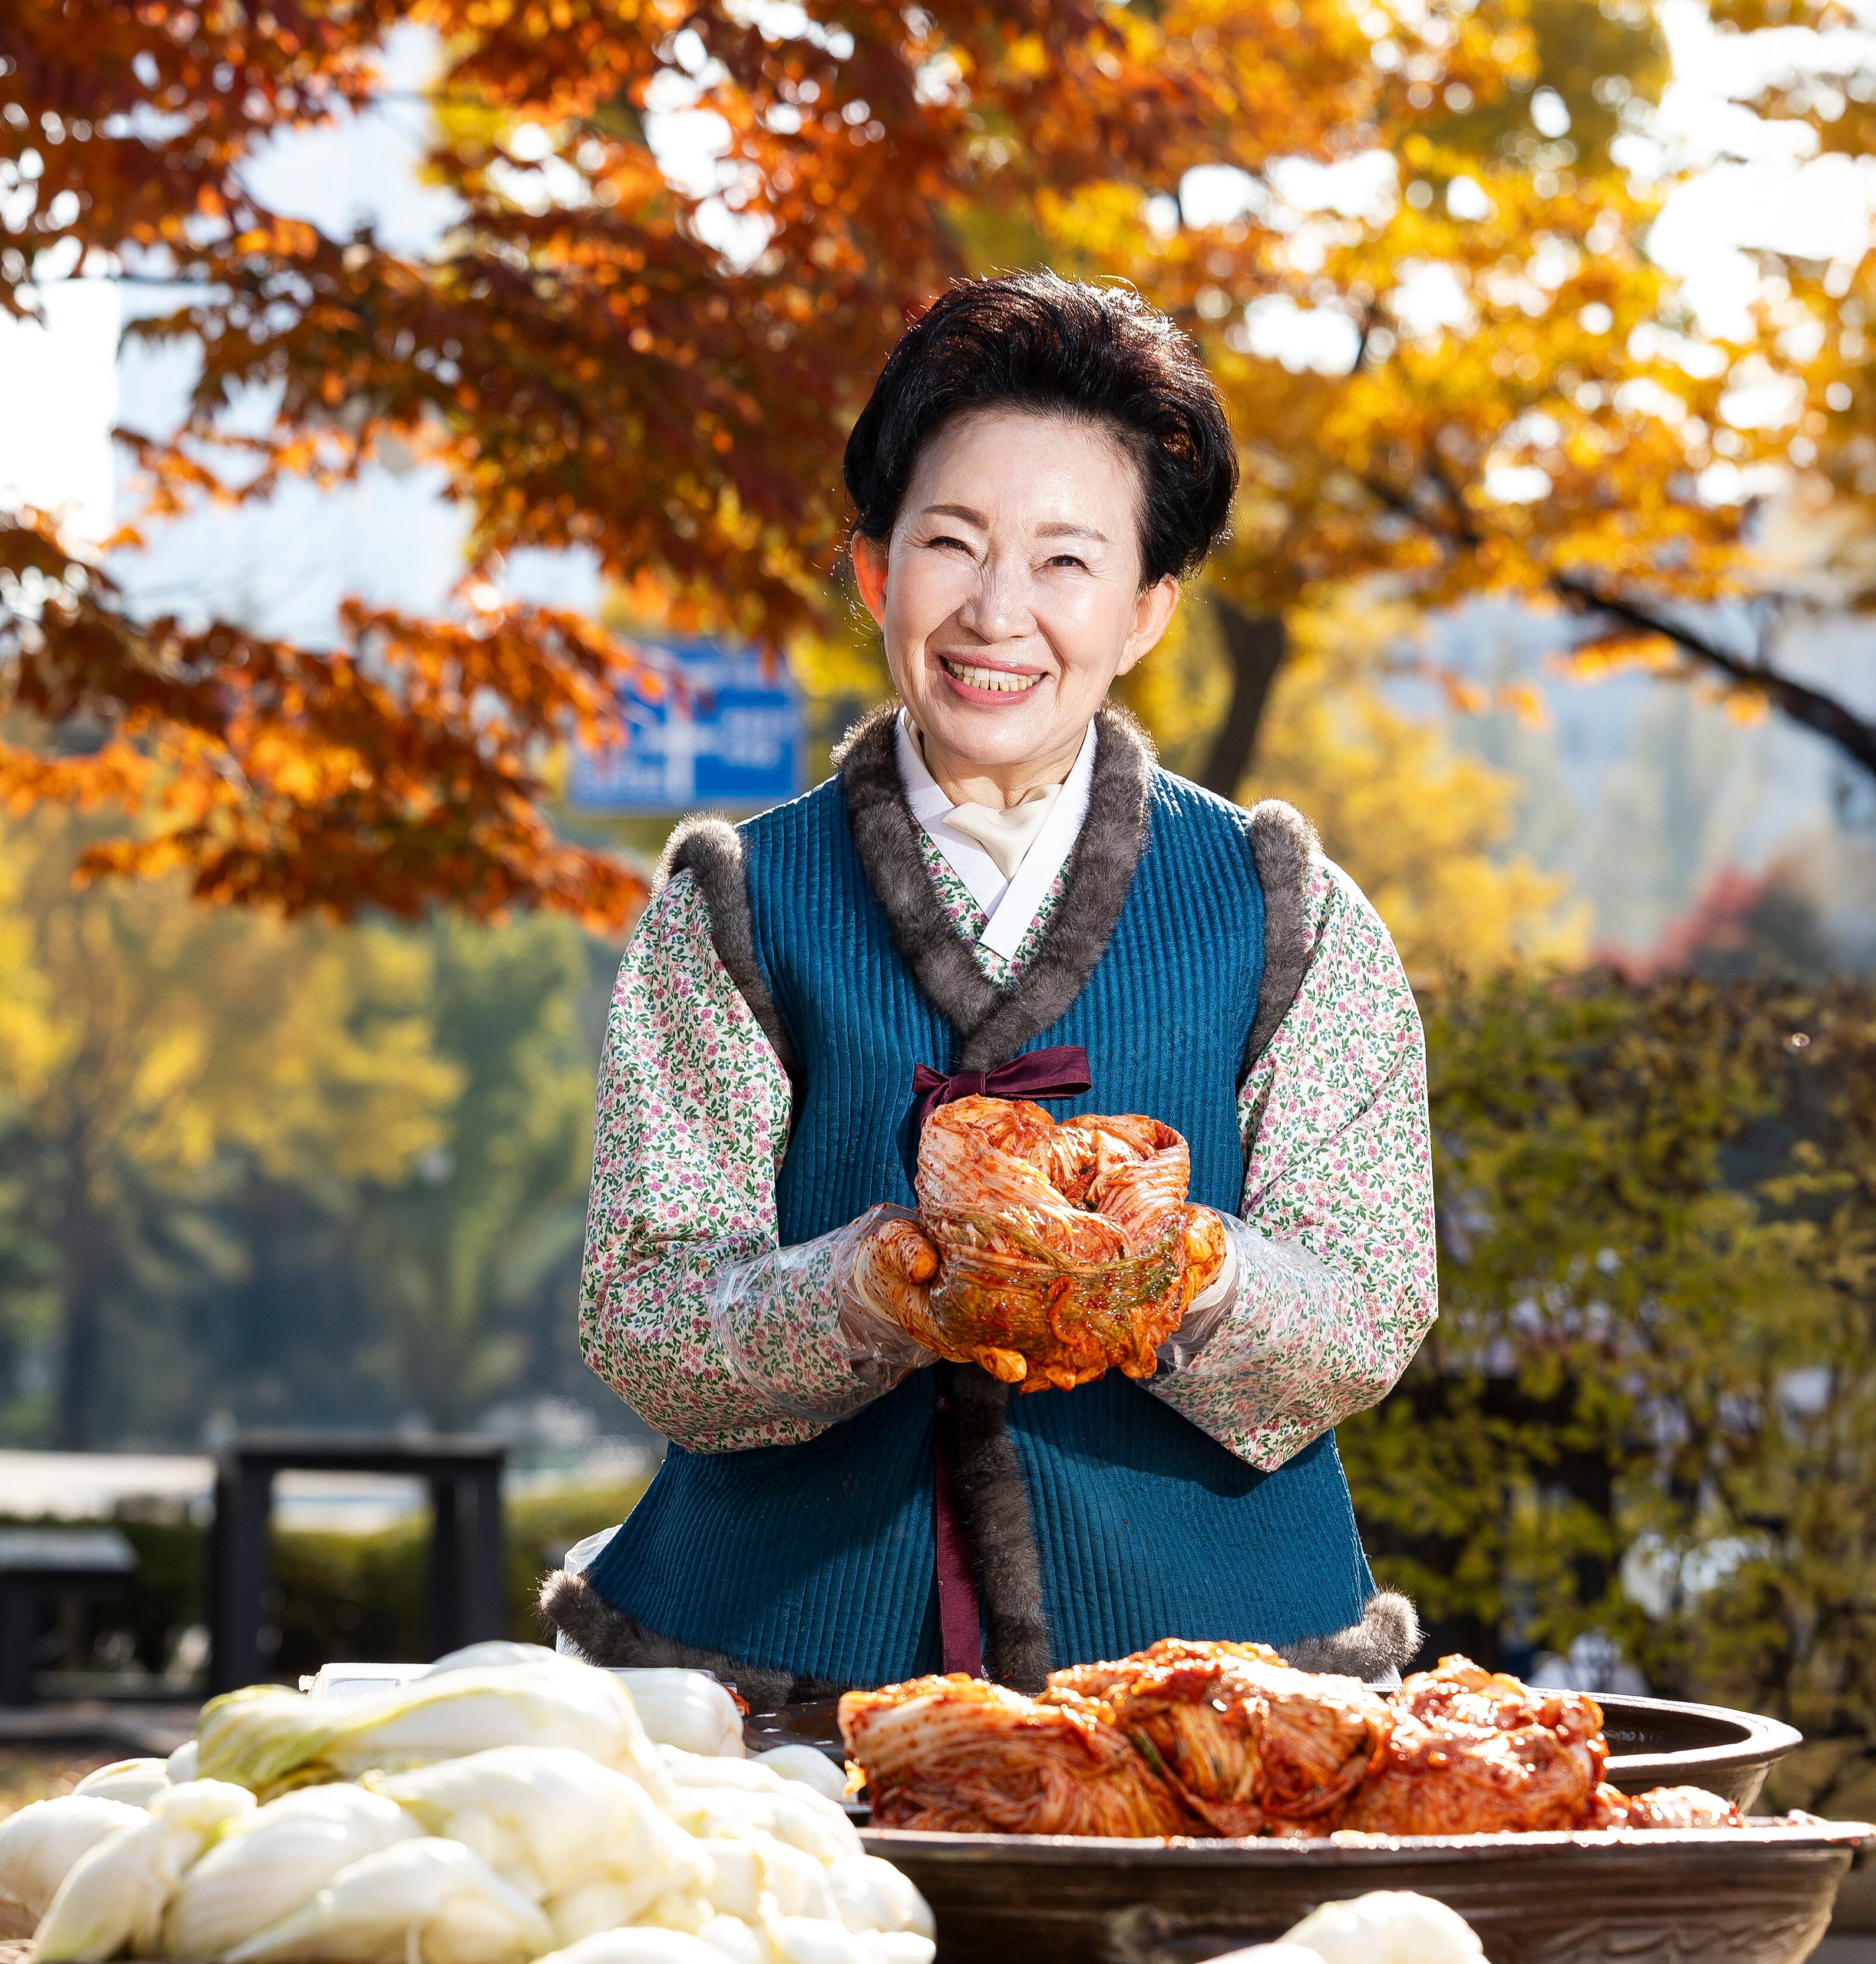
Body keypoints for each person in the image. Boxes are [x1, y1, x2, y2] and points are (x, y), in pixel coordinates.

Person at [541, 271, 1436, 1704]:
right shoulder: (729, 907)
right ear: (871, 568)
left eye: (1066, 562)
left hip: (1210, 1676)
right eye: (950, 543)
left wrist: (1168, 1267)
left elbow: (1372, 1304)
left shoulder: (1287, 910)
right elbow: (647, 1315)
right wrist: (871, 1287)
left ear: (1147, 609)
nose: (997, 612)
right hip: (775, 1672)